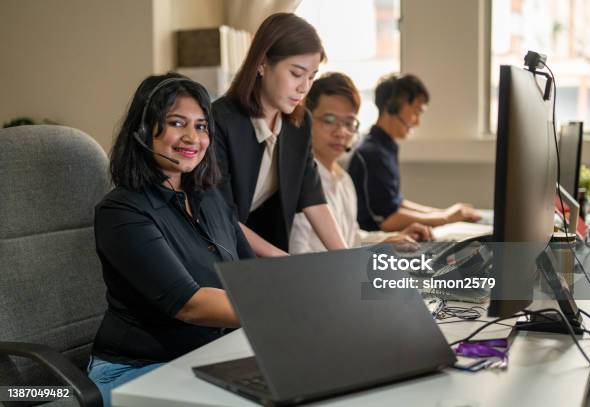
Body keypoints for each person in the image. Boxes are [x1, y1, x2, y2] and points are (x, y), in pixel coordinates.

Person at [88, 73, 253, 406]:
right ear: (144, 130)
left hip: (206, 359)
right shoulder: (121, 210)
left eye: (202, 126)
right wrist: (283, 311)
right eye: (177, 123)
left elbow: (251, 276)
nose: (192, 137)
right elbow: (189, 305)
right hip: (134, 370)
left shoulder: (210, 199)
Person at [213, 12, 347, 256]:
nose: (304, 87)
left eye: (311, 76)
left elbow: (313, 200)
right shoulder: (220, 121)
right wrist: (280, 260)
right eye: (296, 74)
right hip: (214, 251)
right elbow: (219, 215)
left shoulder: (299, 123)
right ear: (262, 63)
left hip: (260, 252)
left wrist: (347, 258)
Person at [289, 72, 433, 254]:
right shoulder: (299, 183)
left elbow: (352, 238)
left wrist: (393, 238)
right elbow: (298, 258)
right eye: (329, 120)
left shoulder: (343, 179)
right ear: (305, 119)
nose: (341, 132)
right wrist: (378, 249)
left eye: (349, 123)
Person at [348, 73, 481, 232]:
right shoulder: (372, 154)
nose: (417, 122)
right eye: (416, 112)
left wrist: (442, 213)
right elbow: (388, 219)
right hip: (373, 242)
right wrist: (445, 219)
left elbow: (395, 202)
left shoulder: (385, 146)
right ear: (392, 106)